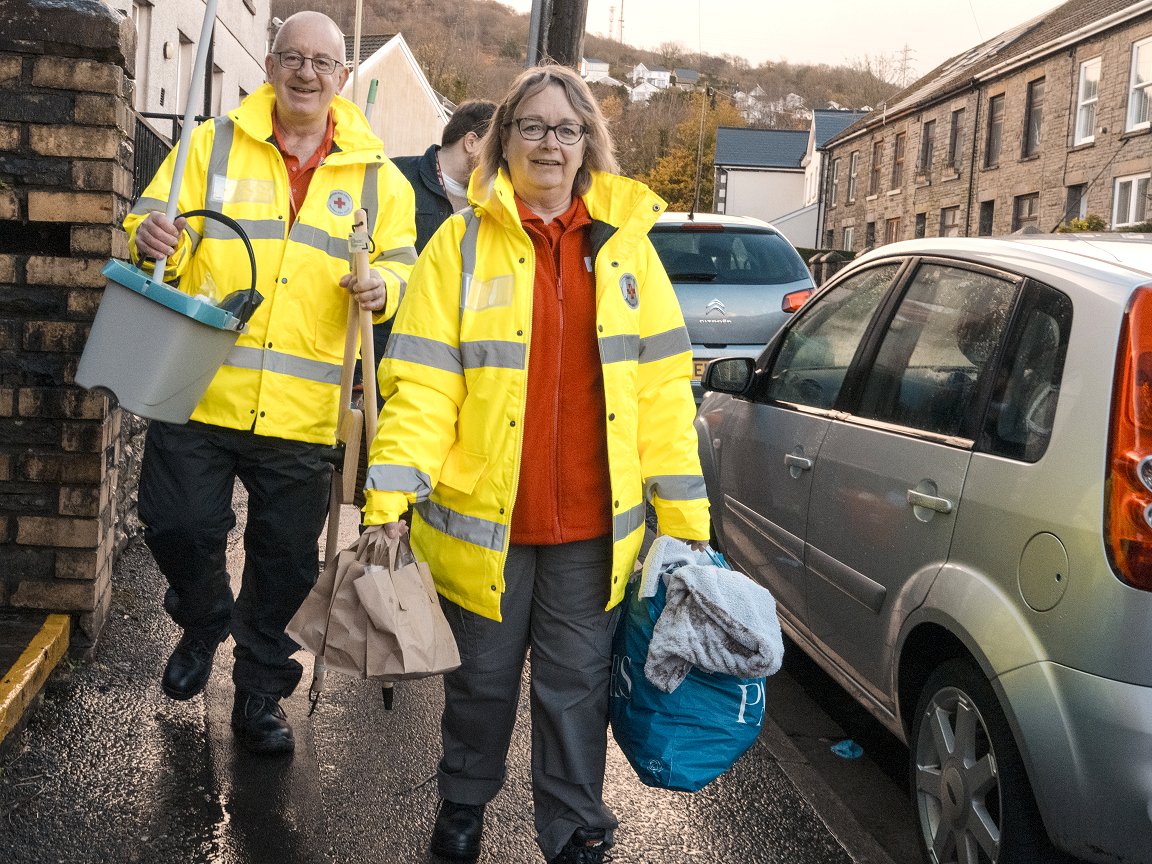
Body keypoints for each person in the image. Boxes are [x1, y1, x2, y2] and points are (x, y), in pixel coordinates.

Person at [361, 64, 709, 863]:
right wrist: (388, 496)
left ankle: (575, 825)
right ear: (503, 139)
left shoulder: (628, 254)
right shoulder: (459, 245)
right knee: (479, 684)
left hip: (593, 528)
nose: (549, 144)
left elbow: (662, 397)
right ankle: (462, 804)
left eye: (566, 129)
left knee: (575, 690)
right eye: (532, 127)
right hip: (488, 520)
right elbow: (421, 387)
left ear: (588, 143)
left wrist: (686, 525)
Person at [125, 11, 416, 755]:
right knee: (177, 524)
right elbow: (153, 226)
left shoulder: (379, 176)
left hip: (304, 408)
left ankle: (259, 694)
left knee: (286, 563)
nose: (307, 72)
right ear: (271, 64)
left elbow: (408, 265)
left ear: (343, 76)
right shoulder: (210, 144)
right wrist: (153, 236)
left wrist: (384, 284)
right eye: (293, 57)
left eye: (323, 61)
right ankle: (201, 615)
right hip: (199, 384)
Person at [356, 98, 498, 408]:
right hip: (383, 346)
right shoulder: (393, 176)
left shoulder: (493, 202)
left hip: (451, 352)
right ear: (472, 142)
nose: (500, 158)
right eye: (495, 145)